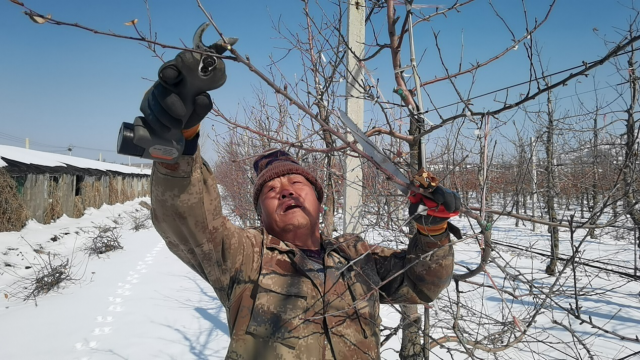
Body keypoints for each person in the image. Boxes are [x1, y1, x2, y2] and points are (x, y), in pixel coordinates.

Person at [144, 51, 461, 360]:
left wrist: (432, 230)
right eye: (271, 189)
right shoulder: (245, 255)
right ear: (261, 214)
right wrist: (182, 146)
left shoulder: (357, 256)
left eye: (296, 182)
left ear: (319, 201)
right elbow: (187, 218)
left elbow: (423, 284)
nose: (285, 191)